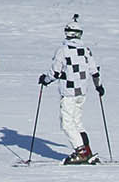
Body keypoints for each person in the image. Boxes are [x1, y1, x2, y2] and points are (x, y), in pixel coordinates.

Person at [39, 14, 102, 165]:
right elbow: (94, 71)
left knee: (67, 123)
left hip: (69, 92)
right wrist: (99, 86)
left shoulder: (63, 50)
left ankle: (81, 152)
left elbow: (54, 72)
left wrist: (45, 80)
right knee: (77, 122)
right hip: (82, 92)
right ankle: (87, 150)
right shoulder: (86, 50)